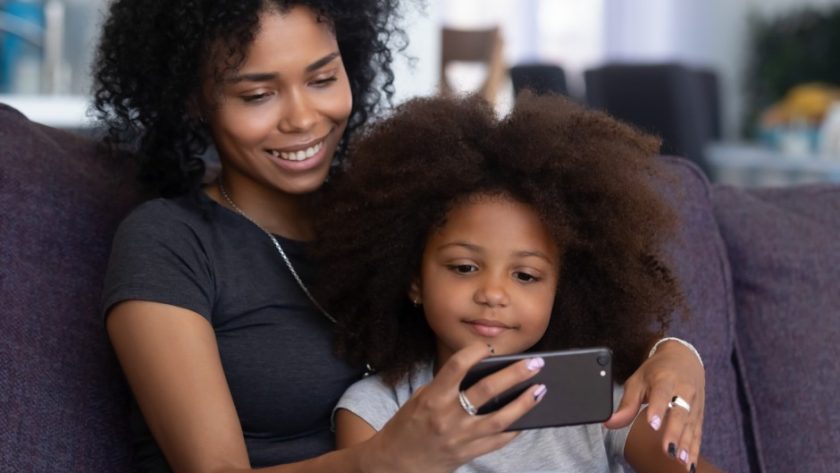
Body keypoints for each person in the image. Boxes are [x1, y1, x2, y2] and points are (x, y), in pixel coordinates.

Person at [93, 0, 706, 471]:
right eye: (258, 93)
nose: (303, 117)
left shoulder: (393, 210)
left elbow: (544, 305)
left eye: (323, 77)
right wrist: (386, 458)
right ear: (194, 100)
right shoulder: (169, 242)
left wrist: (674, 355)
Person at [314, 93, 716, 473]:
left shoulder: (596, 398)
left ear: (563, 292)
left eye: (525, 276)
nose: (492, 294)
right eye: (464, 267)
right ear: (414, 280)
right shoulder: (375, 411)